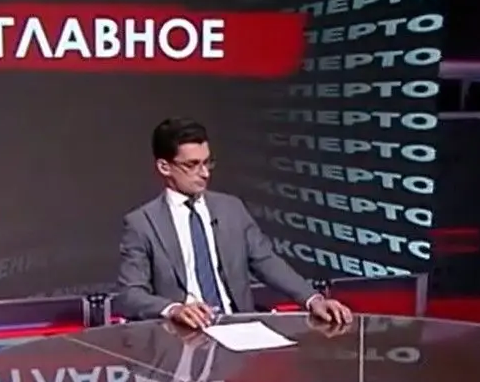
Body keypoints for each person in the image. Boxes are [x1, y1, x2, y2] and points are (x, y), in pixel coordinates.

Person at [116, 117, 354, 330]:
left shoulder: (231, 209)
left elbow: (266, 261)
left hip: (237, 326)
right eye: (192, 165)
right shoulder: (143, 224)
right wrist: (174, 309)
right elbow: (130, 295)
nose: (204, 173)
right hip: (182, 335)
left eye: (207, 162)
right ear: (164, 167)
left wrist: (313, 299)